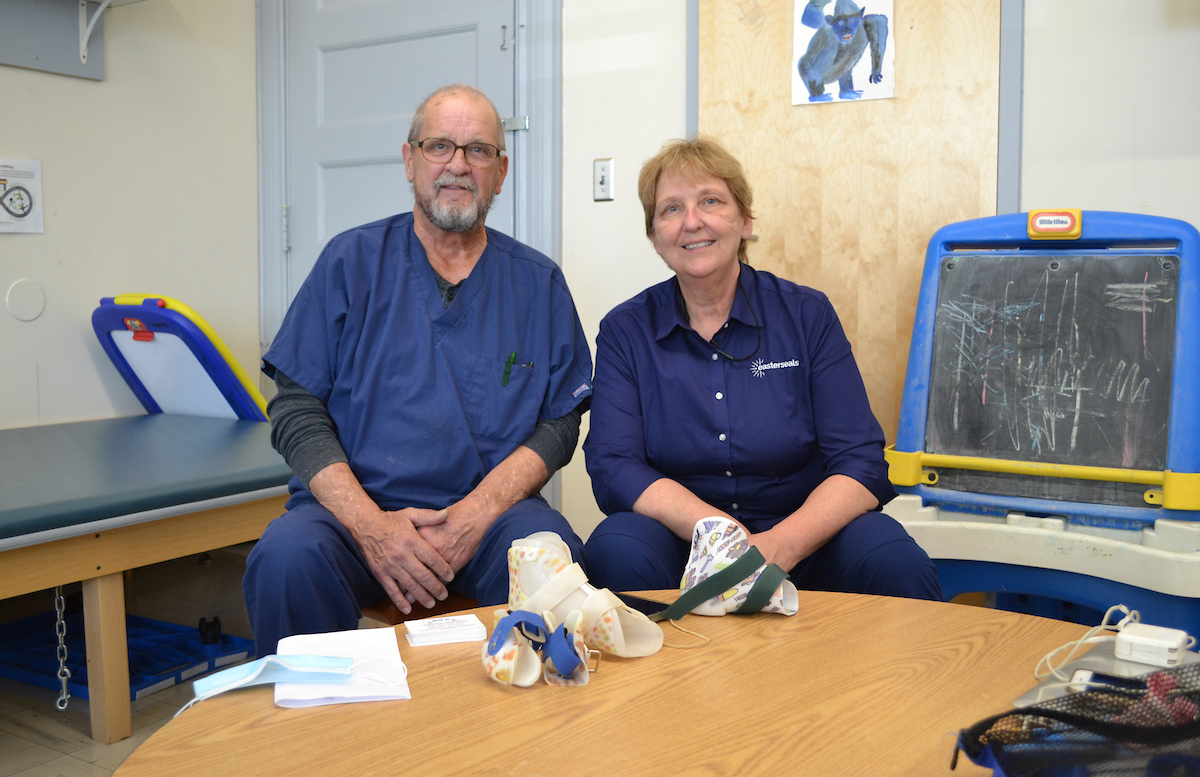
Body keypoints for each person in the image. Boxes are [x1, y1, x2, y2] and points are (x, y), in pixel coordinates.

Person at [245, 85, 594, 654]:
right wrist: (371, 527)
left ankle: (526, 740)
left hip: (490, 521)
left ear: (500, 172)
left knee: (552, 558)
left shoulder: (538, 283)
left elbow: (559, 424)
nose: (458, 165)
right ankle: (308, 739)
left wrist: (474, 515)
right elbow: (296, 407)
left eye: (478, 150)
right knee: (286, 559)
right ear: (410, 160)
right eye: (440, 146)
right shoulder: (349, 263)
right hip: (355, 517)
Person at [582, 137, 941, 601]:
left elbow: (860, 460)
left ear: (746, 220)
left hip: (806, 535)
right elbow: (613, 464)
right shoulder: (624, 331)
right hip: (684, 541)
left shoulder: (807, 315)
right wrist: (715, 531)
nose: (692, 221)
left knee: (892, 557)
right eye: (671, 209)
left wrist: (781, 545)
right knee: (615, 546)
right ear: (654, 236)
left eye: (711, 201)